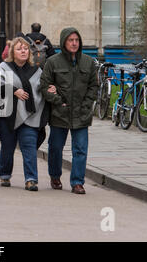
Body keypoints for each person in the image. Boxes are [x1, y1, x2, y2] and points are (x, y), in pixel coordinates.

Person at [0, 37, 48, 191]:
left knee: (29, 147)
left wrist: (50, 89)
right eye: (19, 48)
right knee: (8, 147)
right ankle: (4, 174)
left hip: (30, 116)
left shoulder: (36, 70)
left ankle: (31, 179)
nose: (23, 51)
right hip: (8, 115)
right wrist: (14, 91)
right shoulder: (4, 68)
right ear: (12, 52)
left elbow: (42, 88)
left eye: (25, 48)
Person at [39, 27, 98, 195]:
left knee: (80, 148)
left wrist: (87, 105)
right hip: (60, 113)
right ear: (64, 42)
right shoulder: (53, 62)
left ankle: (77, 182)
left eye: (77, 40)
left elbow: (94, 86)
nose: (74, 43)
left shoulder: (88, 62)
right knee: (56, 147)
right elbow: (44, 85)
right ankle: (55, 175)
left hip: (81, 113)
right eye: (71, 40)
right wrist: (57, 101)